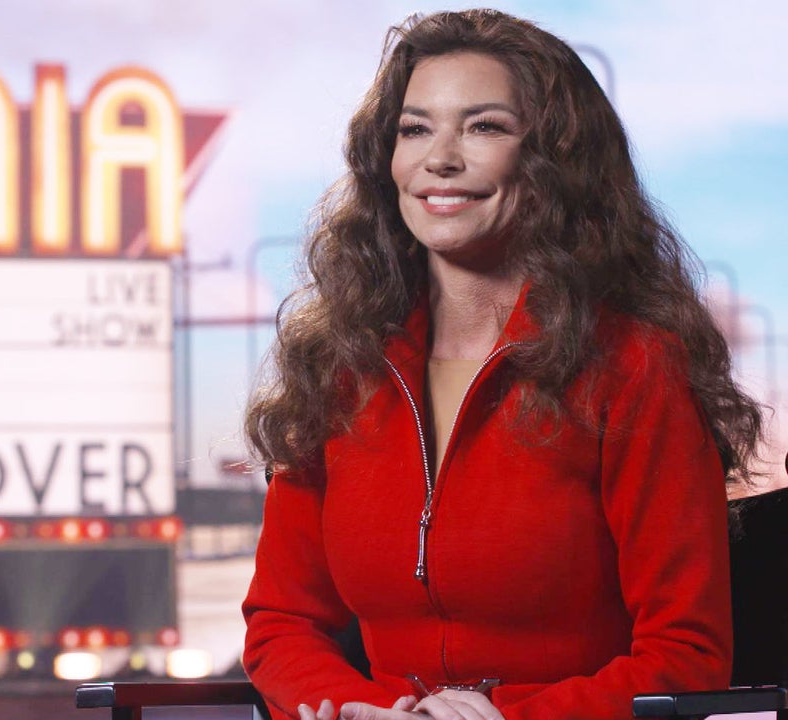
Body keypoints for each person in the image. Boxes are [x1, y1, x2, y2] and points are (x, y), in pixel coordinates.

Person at [241, 9, 764, 720]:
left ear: (553, 161)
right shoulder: (339, 367)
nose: (440, 159)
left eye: (483, 127)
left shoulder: (635, 365)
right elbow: (281, 624)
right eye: (415, 129)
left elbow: (687, 655)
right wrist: (362, 710)